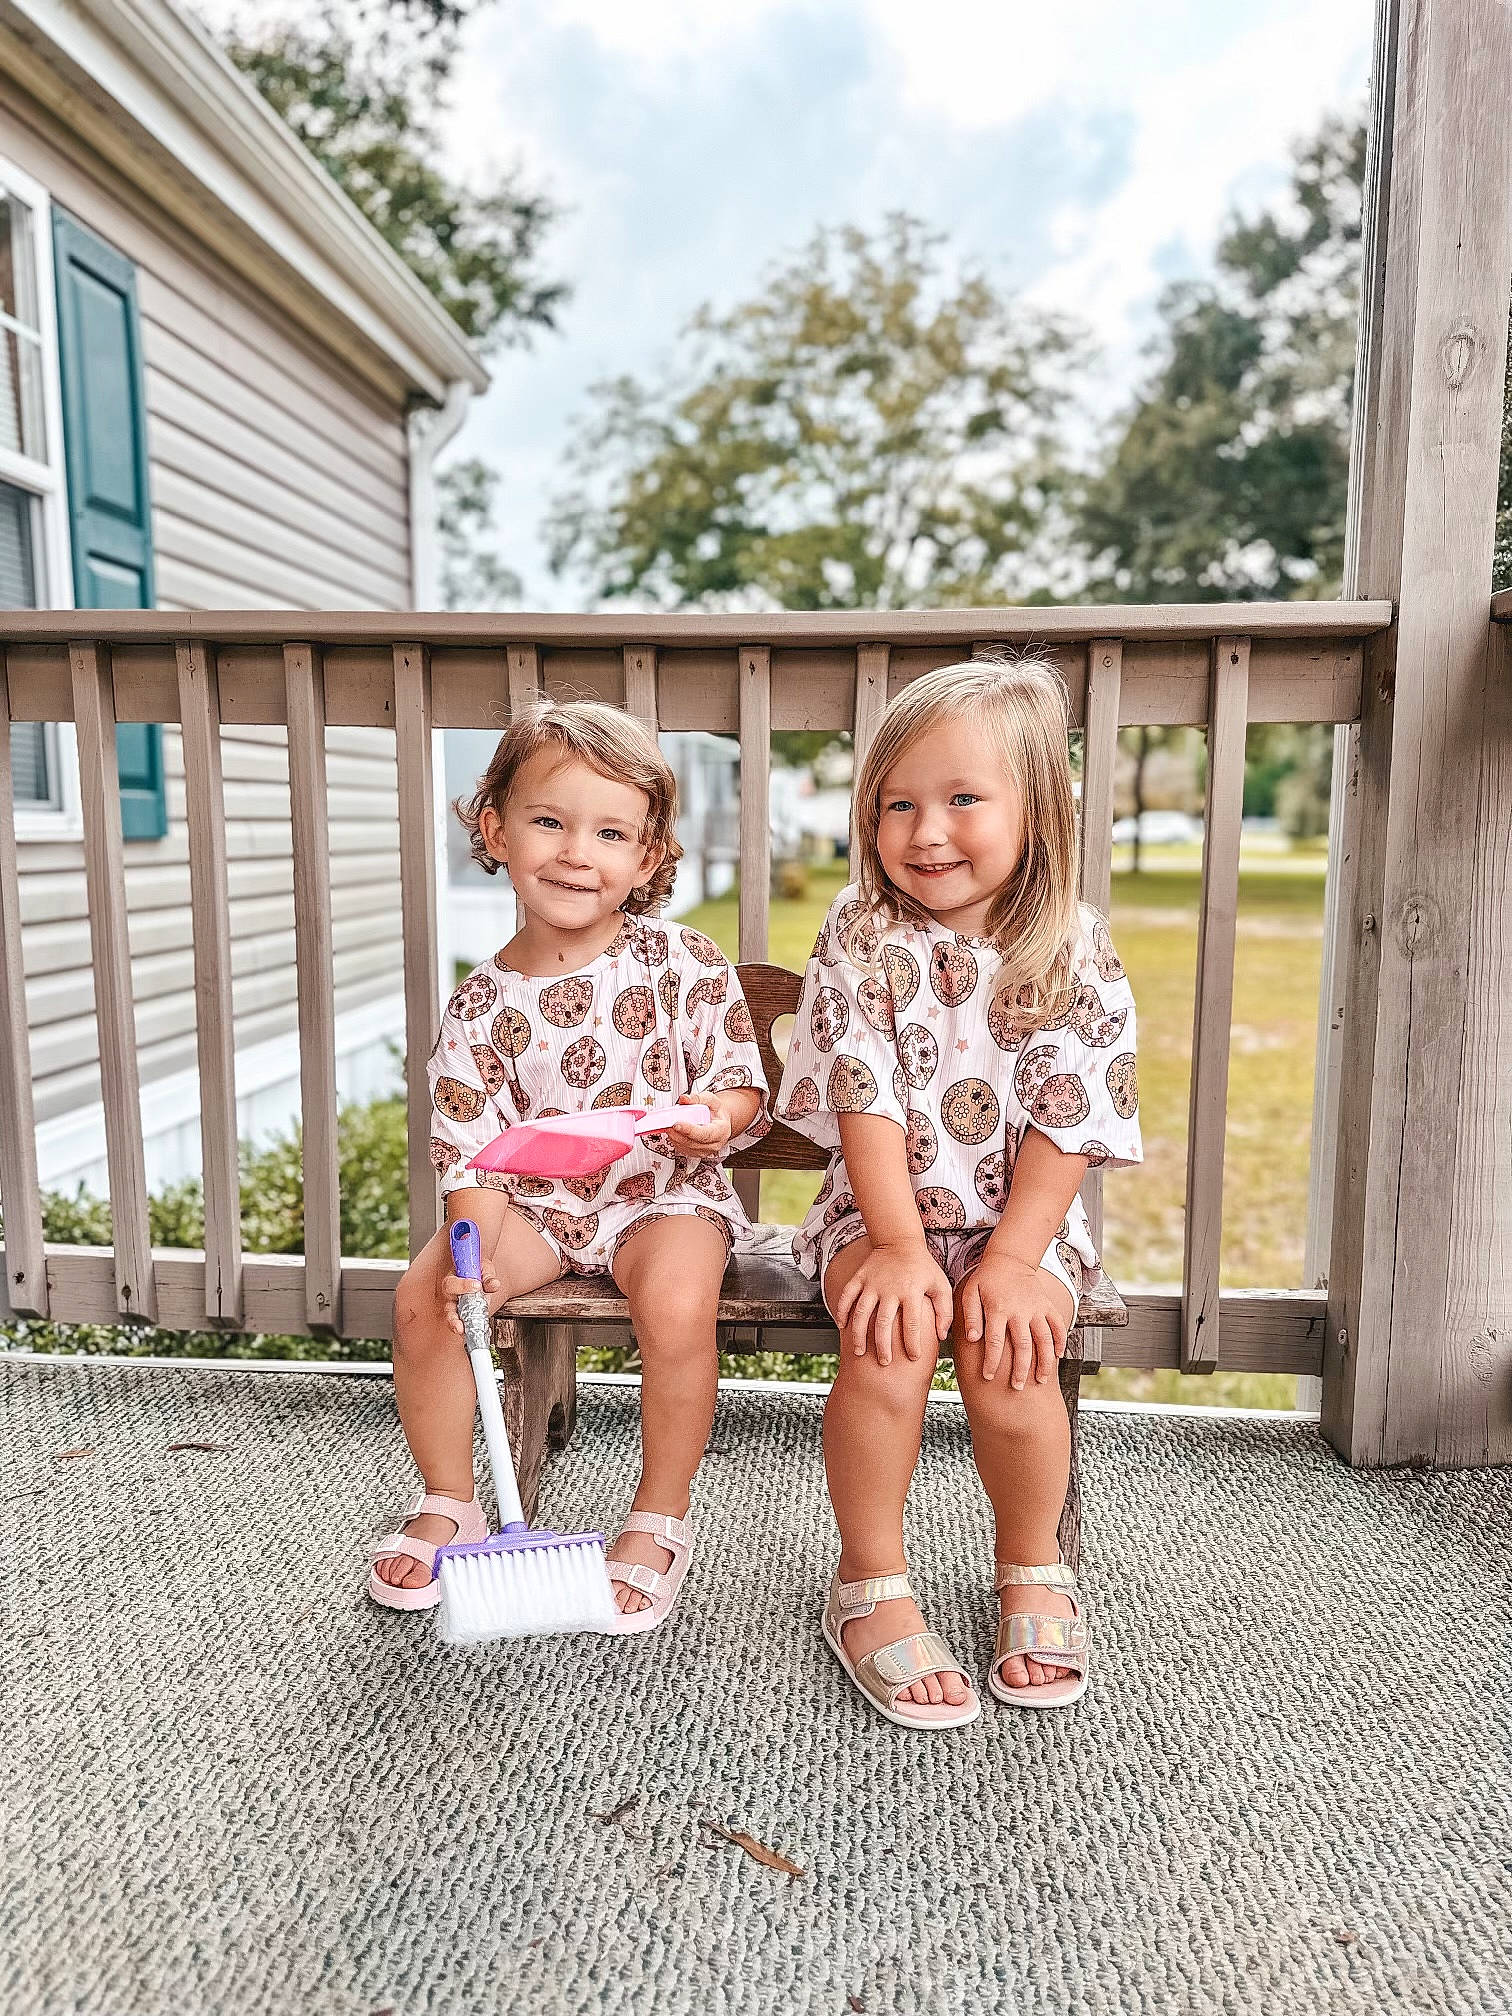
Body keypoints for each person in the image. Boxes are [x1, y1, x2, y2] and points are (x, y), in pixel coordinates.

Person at [774, 654, 1141, 1726]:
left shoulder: (1070, 946)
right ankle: (871, 1582)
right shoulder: (864, 935)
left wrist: (1018, 1261)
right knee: (887, 1349)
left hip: (1021, 1224)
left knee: (1010, 1359)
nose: (926, 832)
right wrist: (892, 1245)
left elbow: (1068, 1119)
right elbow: (863, 1096)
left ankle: (1033, 1567)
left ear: (1040, 809)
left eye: (963, 800)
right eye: (899, 804)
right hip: (874, 1212)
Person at [368, 700, 769, 1630]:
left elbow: (740, 1086)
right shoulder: (479, 1007)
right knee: (428, 1294)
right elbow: (470, 1151)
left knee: (674, 1304)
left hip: (664, 1193)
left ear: (650, 855)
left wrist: (715, 1120)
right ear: (495, 828)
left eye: (611, 832)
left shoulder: (685, 964)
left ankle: (658, 1516)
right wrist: (471, 1259)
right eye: (549, 821)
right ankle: (449, 1500)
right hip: (537, 1210)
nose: (577, 853)